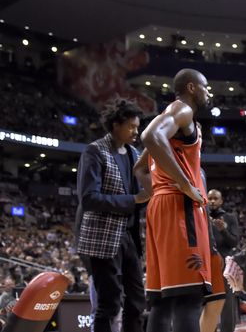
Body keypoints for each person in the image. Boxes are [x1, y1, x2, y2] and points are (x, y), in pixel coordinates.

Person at [140, 68, 212, 332]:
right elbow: (149, 136)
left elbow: (141, 168)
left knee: (161, 302)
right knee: (188, 298)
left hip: (159, 206)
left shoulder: (172, 120)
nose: (208, 92)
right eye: (205, 86)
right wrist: (185, 185)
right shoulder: (182, 110)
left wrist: (156, 193)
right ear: (192, 87)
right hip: (179, 207)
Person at [75, 98, 149, 332]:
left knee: (137, 301)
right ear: (116, 124)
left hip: (128, 236)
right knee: (109, 303)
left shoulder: (134, 153)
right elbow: (88, 199)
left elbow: (140, 196)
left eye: (138, 127)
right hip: (102, 238)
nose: (136, 131)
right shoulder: (94, 151)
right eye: (131, 126)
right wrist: (133, 200)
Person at [201, 188, 240, 332]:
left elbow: (234, 242)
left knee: (227, 304)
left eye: (215, 198)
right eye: (209, 198)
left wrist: (223, 229)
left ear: (221, 200)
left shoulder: (230, 217)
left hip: (225, 265)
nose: (212, 201)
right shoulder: (201, 216)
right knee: (203, 302)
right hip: (205, 264)